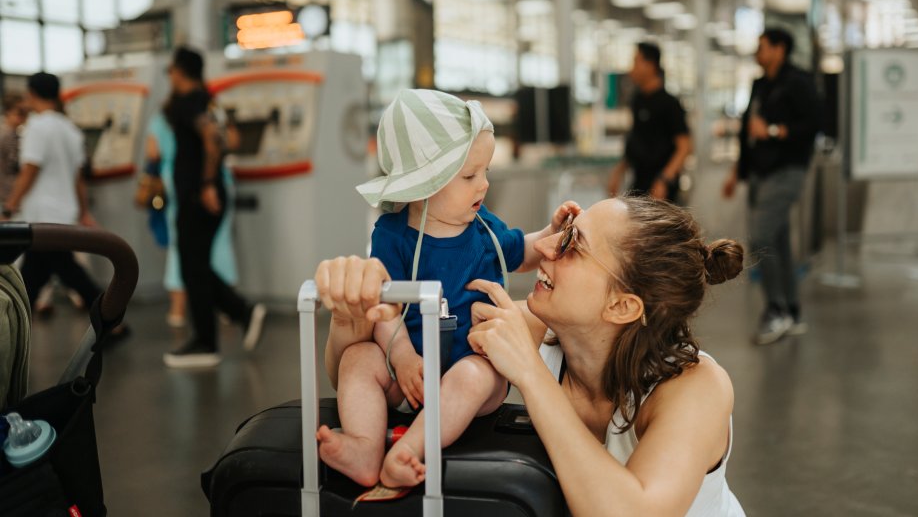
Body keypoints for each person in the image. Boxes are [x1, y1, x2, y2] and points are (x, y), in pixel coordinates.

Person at [316, 196, 746, 516]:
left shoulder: (696, 387)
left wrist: (531, 374)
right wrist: (354, 308)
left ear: (622, 306)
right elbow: (369, 374)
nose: (545, 246)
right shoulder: (529, 330)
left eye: (573, 244)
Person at [315, 89, 579, 489]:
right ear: (424, 184)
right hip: (406, 371)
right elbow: (381, 307)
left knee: (475, 376)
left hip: (469, 368)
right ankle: (364, 447)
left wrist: (549, 234)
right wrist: (401, 357)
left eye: (485, 171)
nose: (484, 184)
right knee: (357, 356)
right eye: (470, 175)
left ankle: (409, 451)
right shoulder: (392, 235)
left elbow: (518, 252)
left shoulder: (482, 225)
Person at [161, 46, 265, 369]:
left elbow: (212, 139)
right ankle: (239, 312)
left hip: (198, 195)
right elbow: (227, 137)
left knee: (194, 268)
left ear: (179, 71)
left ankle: (207, 342)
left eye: (171, 69)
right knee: (197, 266)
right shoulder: (207, 98)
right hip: (208, 191)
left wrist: (205, 184)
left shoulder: (186, 101)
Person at [722, 27, 821, 345]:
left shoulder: (799, 82)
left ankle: (775, 309)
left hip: (787, 170)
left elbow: (813, 124)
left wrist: (776, 131)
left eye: (763, 46)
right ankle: (791, 311)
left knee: (761, 236)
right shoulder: (761, 85)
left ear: (780, 49)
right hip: (760, 174)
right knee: (777, 242)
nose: (757, 52)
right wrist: (738, 171)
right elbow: (749, 132)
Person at [1, 73, 103, 314]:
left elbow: (29, 170)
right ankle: (17, 320)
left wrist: (9, 206)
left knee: (65, 272)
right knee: (38, 273)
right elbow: (78, 177)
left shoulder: (37, 126)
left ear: (32, 93)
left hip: (42, 213)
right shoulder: (70, 129)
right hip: (63, 212)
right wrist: (84, 211)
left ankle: (111, 316)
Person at [145, 103, 240, 329]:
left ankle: (178, 309)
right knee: (220, 243)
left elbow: (153, 152)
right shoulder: (213, 111)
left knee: (181, 247)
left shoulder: (164, 116)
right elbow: (233, 142)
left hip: (180, 185)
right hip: (216, 183)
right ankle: (228, 308)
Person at [608, 42, 692, 202]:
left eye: (636, 61)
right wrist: (618, 172)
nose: (632, 67)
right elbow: (636, 140)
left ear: (650, 65)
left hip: (663, 191)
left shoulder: (669, 103)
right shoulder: (637, 100)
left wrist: (664, 180)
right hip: (639, 184)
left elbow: (684, 147)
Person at [0, 93, 27, 205]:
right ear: (8, 112)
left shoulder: (14, 133)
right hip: (5, 196)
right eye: (20, 113)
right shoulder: (4, 134)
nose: (23, 117)